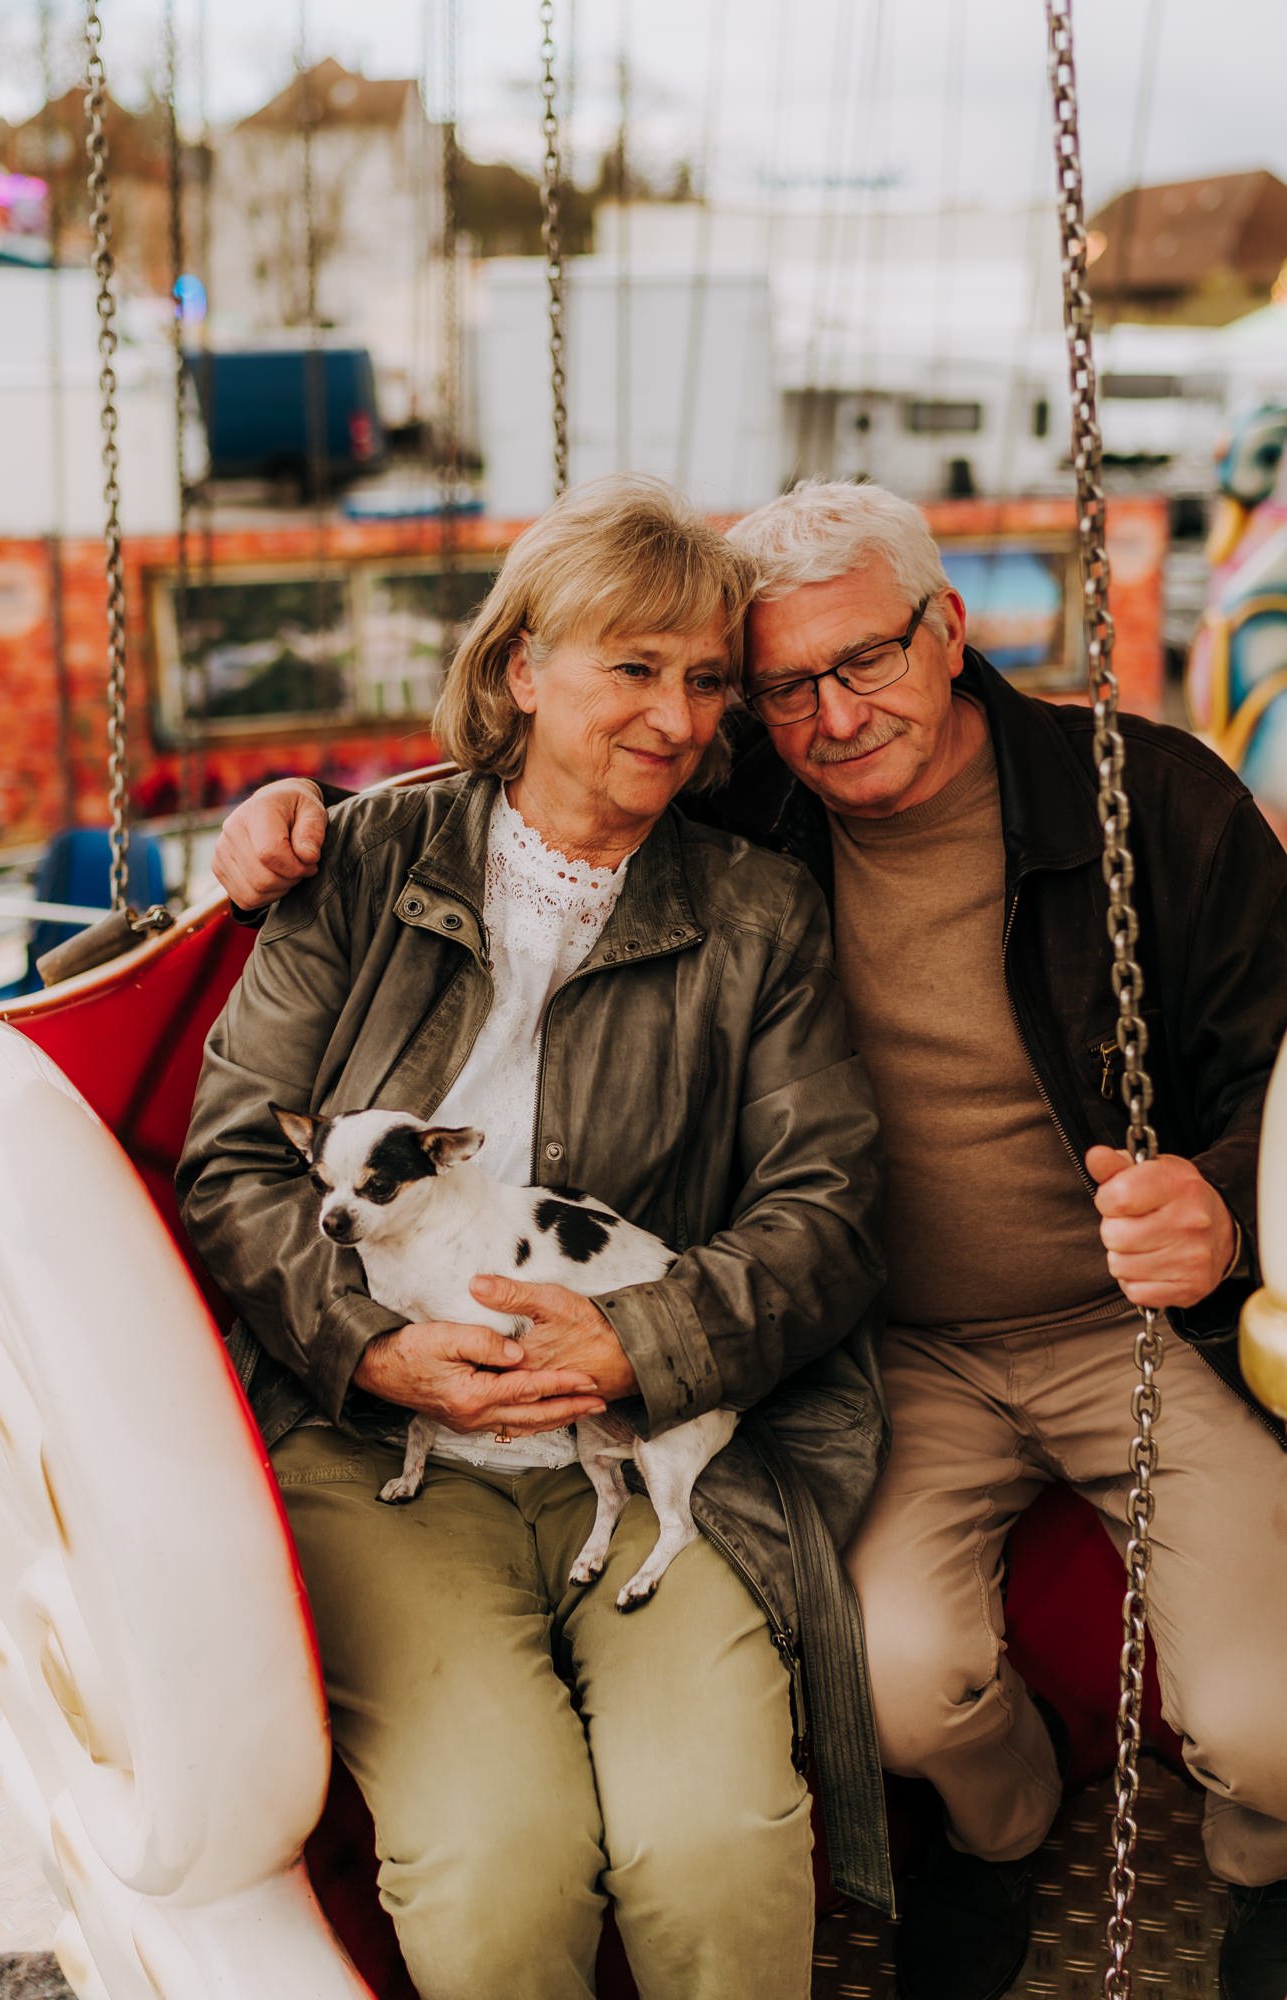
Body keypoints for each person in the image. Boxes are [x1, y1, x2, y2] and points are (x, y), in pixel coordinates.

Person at [216, 478, 1287, 2000]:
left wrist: (1228, 1199)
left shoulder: (1129, 804)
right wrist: (269, 829)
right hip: (860, 1353)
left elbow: (1269, 1053)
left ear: (949, 629)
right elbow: (531, 789)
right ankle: (1005, 1837)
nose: (827, 715)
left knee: (1263, 1726)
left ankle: (1253, 1874)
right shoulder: (701, 813)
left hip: (1108, 1328)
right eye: (775, 687)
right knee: (872, 1704)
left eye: (858, 660)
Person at [178, 474, 891, 2000]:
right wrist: (379, 1354)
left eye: (706, 681)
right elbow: (238, 1163)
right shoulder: (360, 864)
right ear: (521, 669)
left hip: (637, 1442)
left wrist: (637, 1341)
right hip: (384, 1457)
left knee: (716, 1851)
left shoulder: (756, 911)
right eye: (632, 668)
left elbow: (822, 1210)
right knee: (500, 1871)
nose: (679, 716)